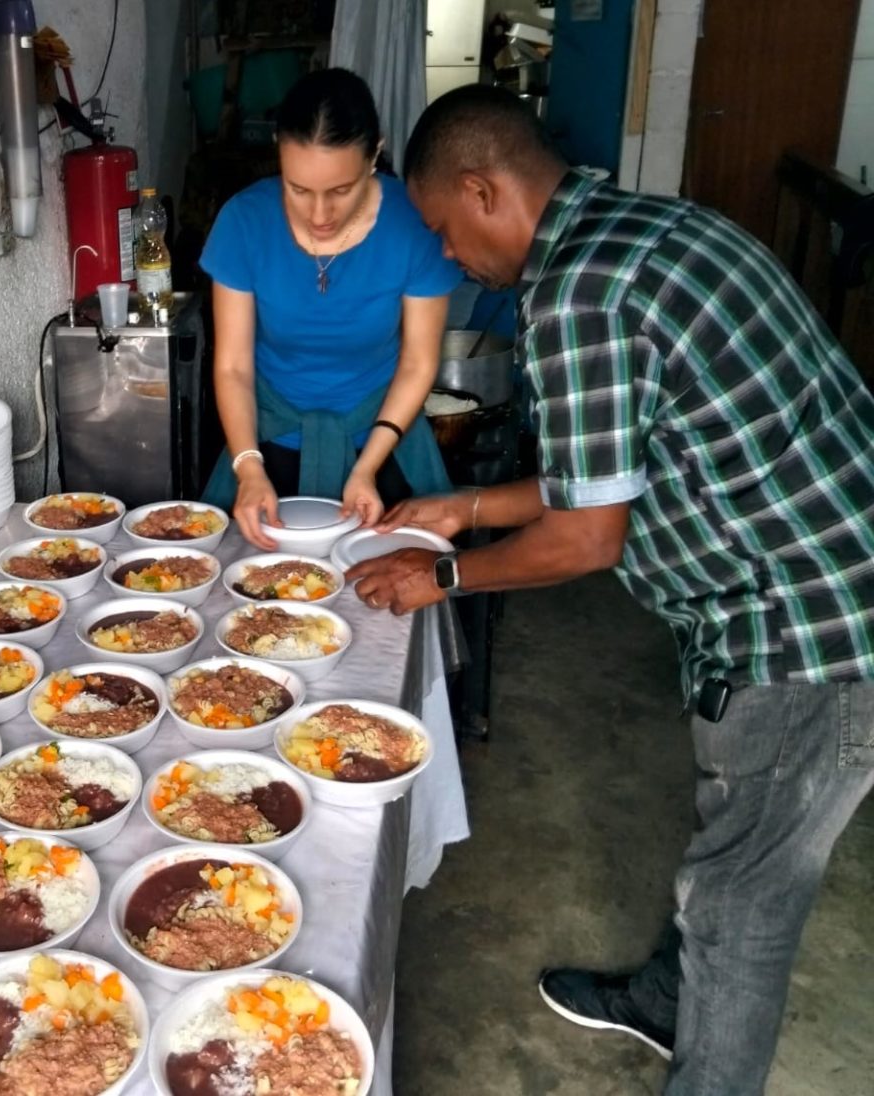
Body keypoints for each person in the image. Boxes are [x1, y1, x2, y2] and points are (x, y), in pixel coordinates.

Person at [351, 84, 874, 1094]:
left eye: (445, 230)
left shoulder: (577, 295)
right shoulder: (650, 232)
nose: (449, 256)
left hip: (813, 626)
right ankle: (668, 1001)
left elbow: (588, 536)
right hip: (809, 578)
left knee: (743, 904)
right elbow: (616, 465)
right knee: (736, 850)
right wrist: (465, 506)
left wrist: (444, 576)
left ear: (482, 189)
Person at [199, 68, 462, 549]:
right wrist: (248, 468)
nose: (319, 215)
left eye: (341, 190)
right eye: (298, 189)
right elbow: (233, 366)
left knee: (396, 578)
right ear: (279, 152)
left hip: (383, 442)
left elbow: (418, 363)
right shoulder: (244, 222)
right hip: (265, 444)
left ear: (374, 155)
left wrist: (367, 468)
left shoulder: (414, 225)